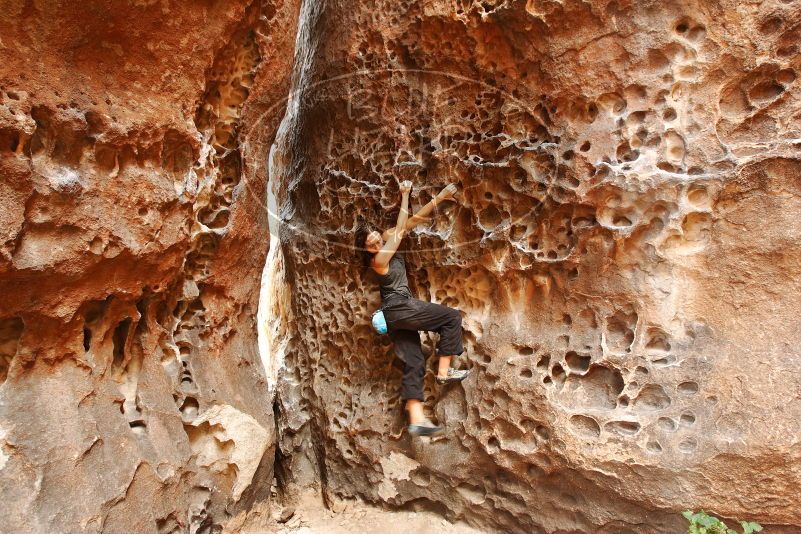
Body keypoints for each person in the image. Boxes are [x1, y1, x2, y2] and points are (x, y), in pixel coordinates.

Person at [355, 179, 470, 437]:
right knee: (451, 318)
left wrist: (439, 198)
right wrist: (405, 194)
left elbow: (412, 222)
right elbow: (398, 231)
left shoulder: (386, 241)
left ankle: (417, 419)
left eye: (374, 233)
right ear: (365, 247)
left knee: (415, 361)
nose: (373, 238)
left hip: (394, 318)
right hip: (399, 308)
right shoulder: (379, 260)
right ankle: (444, 371)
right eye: (368, 240)